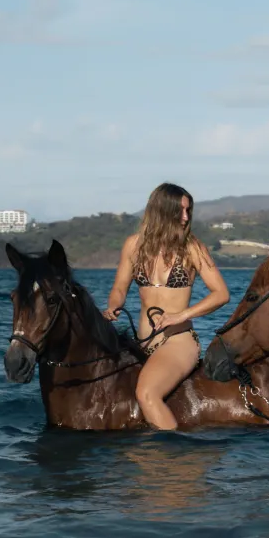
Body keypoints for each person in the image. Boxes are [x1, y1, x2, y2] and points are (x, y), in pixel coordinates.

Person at [105, 183, 230, 430]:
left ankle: (174, 458)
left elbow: (221, 294)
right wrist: (114, 307)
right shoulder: (133, 245)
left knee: (147, 394)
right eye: (180, 210)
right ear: (162, 210)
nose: (185, 217)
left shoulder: (192, 248)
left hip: (178, 341)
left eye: (188, 211)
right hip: (141, 343)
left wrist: (180, 315)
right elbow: (120, 288)